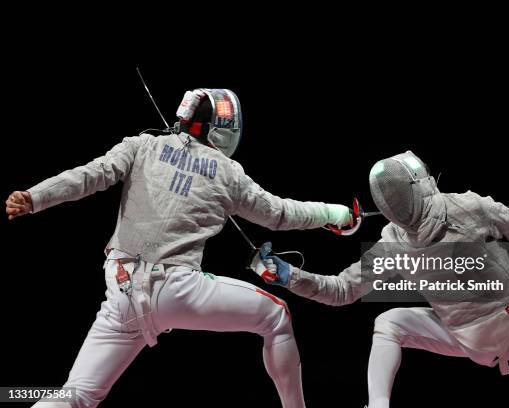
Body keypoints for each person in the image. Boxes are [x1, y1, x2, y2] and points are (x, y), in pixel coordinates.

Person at [5, 88, 352, 408]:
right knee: (277, 316)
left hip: (122, 292)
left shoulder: (141, 146)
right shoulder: (228, 172)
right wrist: (332, 213)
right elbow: (279, 214)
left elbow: (90, 175)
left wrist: (35, 197)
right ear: (223, 127)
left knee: (76, 394)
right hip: (177, 289)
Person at [258, 150, 509, 408]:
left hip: (468, 339)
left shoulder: (392, 243)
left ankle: (378, 403)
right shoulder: (468, 206)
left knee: (389, 322)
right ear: (421, 183)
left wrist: (291, 276)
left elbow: (340, 291)